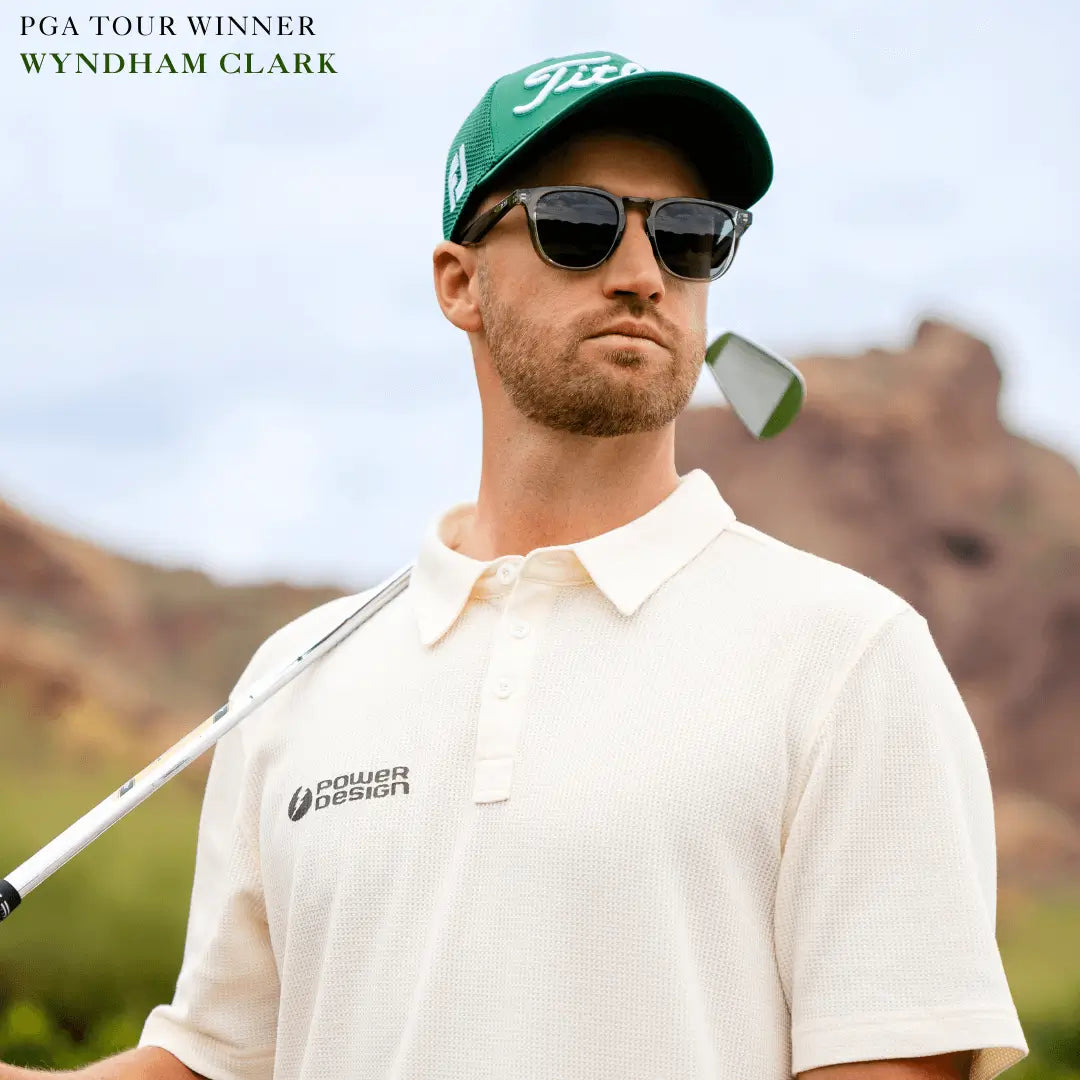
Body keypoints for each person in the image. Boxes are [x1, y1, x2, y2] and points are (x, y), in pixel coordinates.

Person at [0, 50, 1029, 1080]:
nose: (641, 275)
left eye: (688, 237)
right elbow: (220, 1065)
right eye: (577, 226)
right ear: (460, 283)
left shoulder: (850, 655)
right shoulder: (291, 677)